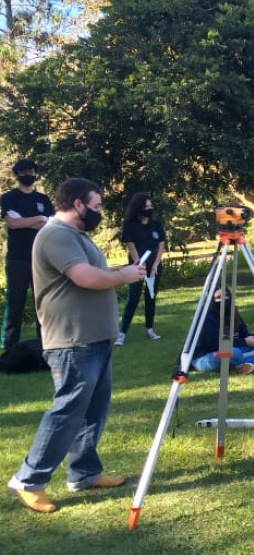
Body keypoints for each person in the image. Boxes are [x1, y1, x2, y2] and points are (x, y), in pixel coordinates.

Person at [7, 178, 146, 513]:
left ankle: (83, 473)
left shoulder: (77, 236)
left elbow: (95, 274)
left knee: (93, 411)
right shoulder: (56, 234)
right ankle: (28, 480)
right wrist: (124, 276)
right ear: (79, 204)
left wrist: (121, 271)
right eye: (96, 206)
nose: (100, 212)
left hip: (95, 338)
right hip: (71, 341)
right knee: (67, 411)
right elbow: (85, 278)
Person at [1, 159, 55, 350]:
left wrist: (29, 220)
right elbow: (13, 223)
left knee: (42, 302)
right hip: (17, 259)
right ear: (16, 175)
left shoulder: (43, 199)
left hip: (41, 258)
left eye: (31, 171)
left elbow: (50, 223)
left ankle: (44, 344)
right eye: (24, 172)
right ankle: (9, 347)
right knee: (15, 303)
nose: (29, 175)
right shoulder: (8, 198)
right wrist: (39, 219)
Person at [115, 192, 166, 345]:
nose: (149, 209)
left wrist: (156, 265)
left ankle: (149, 329)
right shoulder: (130, 225)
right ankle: (122, 333)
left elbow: (161, 244)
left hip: (154, 267)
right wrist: (139, 264)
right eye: (146, 206)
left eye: (150, 206)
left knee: (151, 297)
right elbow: (131, 246)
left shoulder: (156, 224)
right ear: (138, 208)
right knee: (133, 298)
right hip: (137, 267)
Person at [190, 286, 254, 375]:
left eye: (226, 296)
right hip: (208, 356)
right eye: (219, 297)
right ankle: (252, 359)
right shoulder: (207, 317)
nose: (224, 300)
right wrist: (244, 342)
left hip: (233, 349)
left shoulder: (233, 313)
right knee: (235, 353)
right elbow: (215, 345)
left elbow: (244, 335)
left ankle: (243, 365)